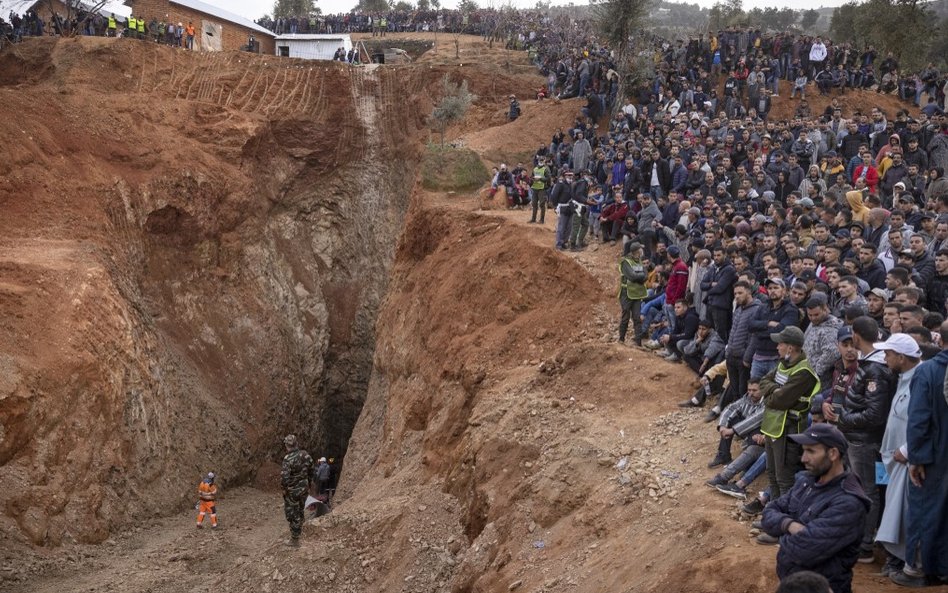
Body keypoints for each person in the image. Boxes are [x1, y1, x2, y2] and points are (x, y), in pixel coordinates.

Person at [761, 423, 870, 593]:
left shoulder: (849, 503)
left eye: (811, 451)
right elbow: (769, 512)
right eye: (803, 451)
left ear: (833, 453)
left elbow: (803, 551)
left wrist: (781, 537)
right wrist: (790, 525)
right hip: (793, 585)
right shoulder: (807, 481)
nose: (803, 458)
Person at [822, 316, 893, 564]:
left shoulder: (875, 367)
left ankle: (864, 546)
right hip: (855, 438)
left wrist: (844, 419)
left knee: (867, 492)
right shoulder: (868, 362)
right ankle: (857, 538)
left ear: (857, 336)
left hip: (864, 440)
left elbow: (875, 414)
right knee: (857, 489)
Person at [890, 320, 948, 586]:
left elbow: (919, 419)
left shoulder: (928, 372)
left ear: (939, 341)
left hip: (935, 457)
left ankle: (917, 568)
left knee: (925, 510)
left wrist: (917, 458)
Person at [872, 333, 922, 577]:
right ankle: (895, 558)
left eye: (888, 353)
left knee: (901, 513)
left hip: (909, 460)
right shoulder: (903, 378)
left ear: (901, 357)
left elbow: (929, 421)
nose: (885, 357)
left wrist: (907, 450)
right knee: (893, 509)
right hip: (893, 460)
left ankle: (905, 562)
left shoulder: (920, 380)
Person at [759, 326, 821, 502]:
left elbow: (780, 400)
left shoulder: (803, 372)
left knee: (784, 479)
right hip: (773, 425)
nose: (777, 347)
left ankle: (783, 519)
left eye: (780, 344)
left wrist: (769, 397)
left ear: (790, 348)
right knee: (772, 474)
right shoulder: (783, 363)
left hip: (789, 429)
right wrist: (775, 391)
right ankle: (773, 513)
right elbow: (764, 380)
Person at [280, 434, 314, 546]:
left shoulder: (287, 459)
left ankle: (295, 539)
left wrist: (284, 489)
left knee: (292, 513)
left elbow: (285, 478)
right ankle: (301, 530)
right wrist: (308, 482)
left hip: (292, 491)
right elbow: (312, 470)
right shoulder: (305, 455)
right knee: (300, 510)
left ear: (287, 445)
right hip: (304, 489)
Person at [617, 242, 647, 345]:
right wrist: (641, 276)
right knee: (625, 317)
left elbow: (645, 276)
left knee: (637, 318)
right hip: (626, 293)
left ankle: (638, 343)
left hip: (637, 294)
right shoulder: (626, 262)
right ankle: (621, 339)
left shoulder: (640, 261)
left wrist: (640, 276)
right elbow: (632, 276)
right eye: (640, 249)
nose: (642, 251)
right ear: (637, 251)